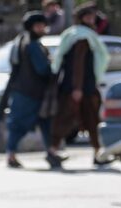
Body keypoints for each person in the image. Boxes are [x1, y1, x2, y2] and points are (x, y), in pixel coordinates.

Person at [50, 2, 110, 166]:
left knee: (91, 120)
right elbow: (78, 63)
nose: (91, 19)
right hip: (79, 88)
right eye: (88, 16)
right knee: (67, 119)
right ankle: (53, 150)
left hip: (83, 87)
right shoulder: (81, 37)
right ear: (81, 18)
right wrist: (77, 88)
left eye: (92, 16)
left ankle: (97, 153)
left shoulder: (80, 34)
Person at [4, 12, 62, 169]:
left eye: (43, 25)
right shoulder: (32, 45)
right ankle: (11, 155)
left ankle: (51, 152)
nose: (43, 28)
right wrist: (54, 66)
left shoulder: (24, 41)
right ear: (32, 27)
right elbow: (43, 69)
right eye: (39, 26)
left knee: (45, 123)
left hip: (30, 91)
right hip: (30, 93)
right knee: (19, 124)